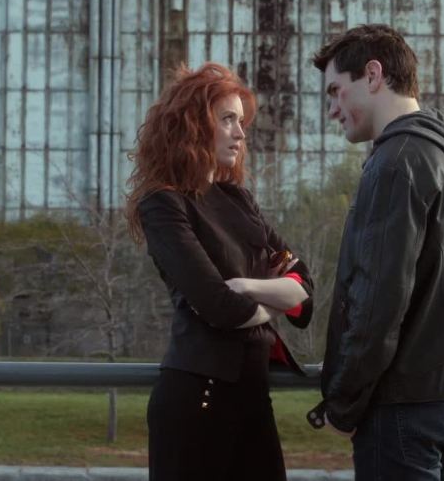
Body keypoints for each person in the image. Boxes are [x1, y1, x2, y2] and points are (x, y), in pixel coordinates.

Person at [308, 24, 444, 480]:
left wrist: (342, 404)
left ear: (373, 75)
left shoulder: (396, 163)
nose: (332, 110)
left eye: (335, 91)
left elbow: (377, 302)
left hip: (404, 408)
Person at [125, 62, 313, 481]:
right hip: (197, 403)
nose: (240, 133)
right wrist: (276, 298)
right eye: (227, 119)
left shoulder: (240, 200)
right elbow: (221, 306)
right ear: (193, 125)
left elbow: (306, 290)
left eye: (241, 122)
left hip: (252, 399)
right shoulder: (164, 204)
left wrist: (246, 286)